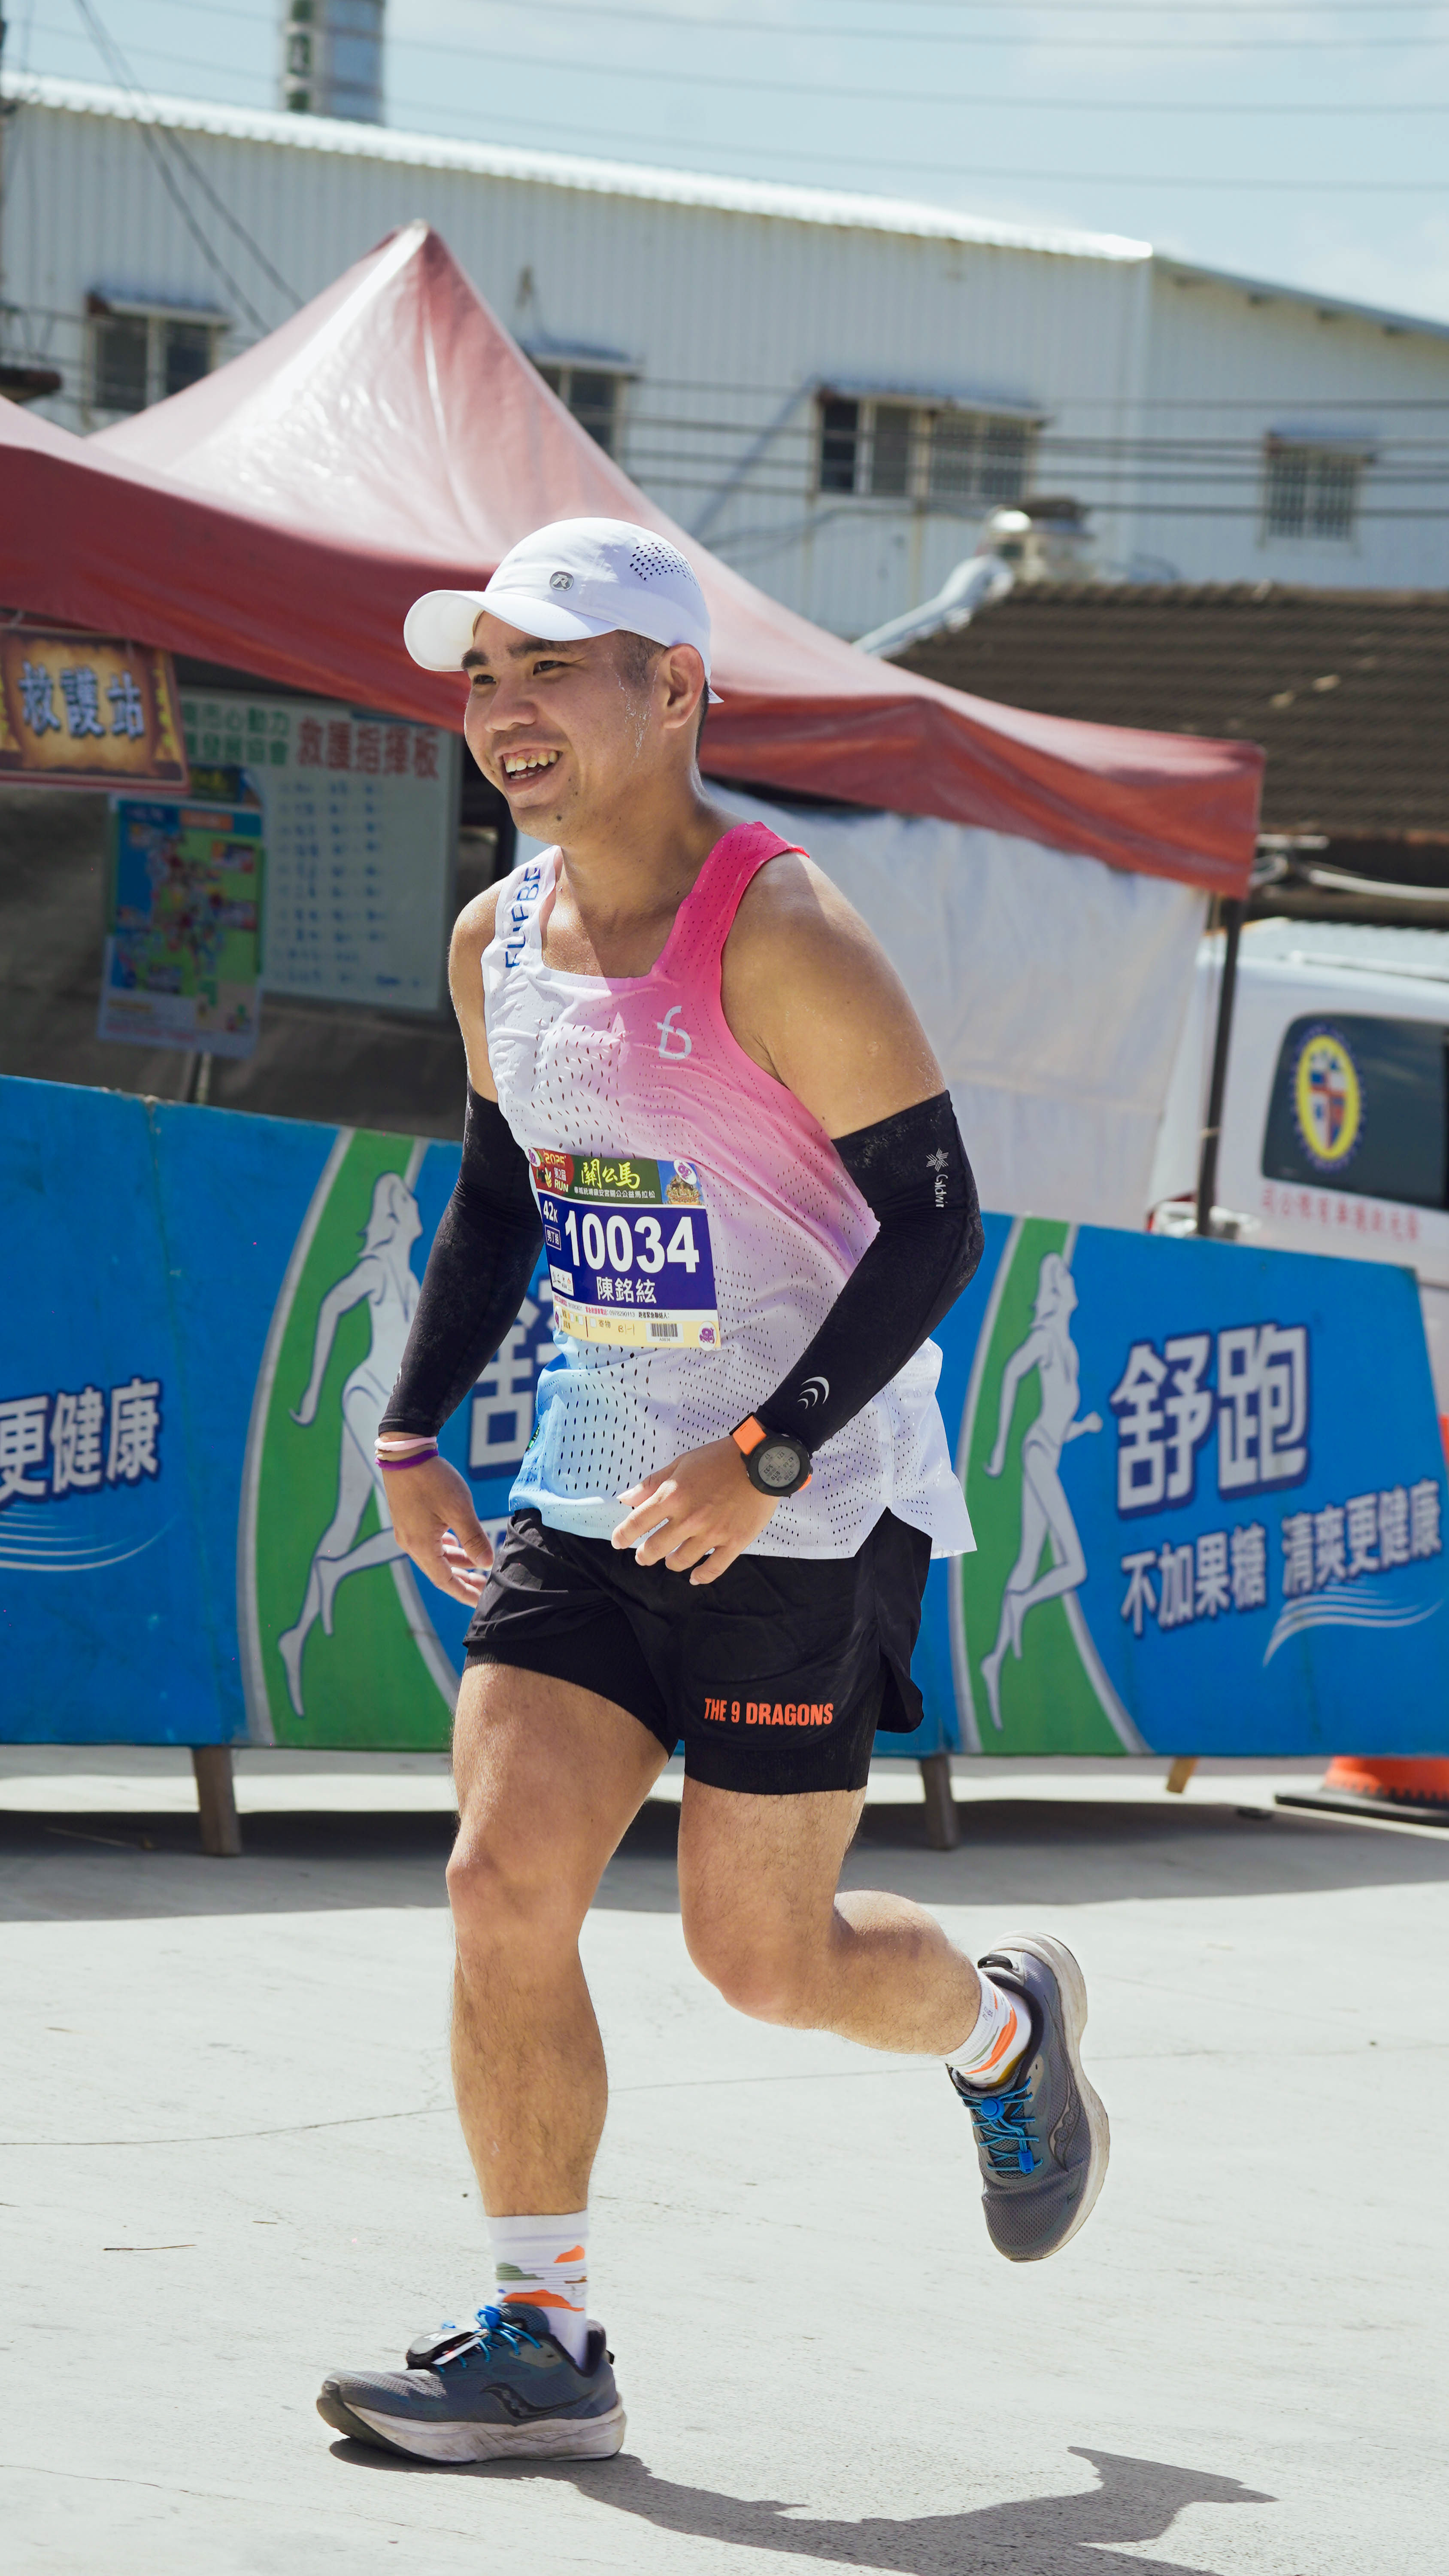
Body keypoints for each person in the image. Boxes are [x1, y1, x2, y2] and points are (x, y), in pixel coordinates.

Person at [317, 519, 1108, 2465]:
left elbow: (936, 1223)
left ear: (675, 689)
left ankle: (1002, 2026)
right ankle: (543, 2332)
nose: (504, 708)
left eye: (550, 666)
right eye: (482, 673)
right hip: (593, 1478)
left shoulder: (779, 928)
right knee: (499, 1881)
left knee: (762, 1959)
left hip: (807, 1507)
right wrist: (410, 1435)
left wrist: (764, 1454)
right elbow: (503, 1192)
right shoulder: (494, 938)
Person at [278, 1170, 423, 1716]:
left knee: (346, 1522)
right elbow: (331, 1307)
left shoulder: (410, 1277)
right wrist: (313, 1389)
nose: (418, 1210)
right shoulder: (379, 1267)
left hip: (387, 1405)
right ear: (397, 1214)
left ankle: (296, 1635)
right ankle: (334, 1571)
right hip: (366, 1397)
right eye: (408, 1202)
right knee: (410, 1527)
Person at [980, 1250, 1103, 1732]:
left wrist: (1082, 1428)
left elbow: (1057, 1419)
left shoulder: (1068, 1347)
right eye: (1062, 1279)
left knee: (1029, 1561)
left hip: (1048, 1451)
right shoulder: (1047, 1336)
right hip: (1035, 1453)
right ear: (1056, 1294)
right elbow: (1012, 1374)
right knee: (1076, 1566)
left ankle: (993, 1661)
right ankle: (1022, 1604)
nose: (1070, 1285)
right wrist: (997, 1447)